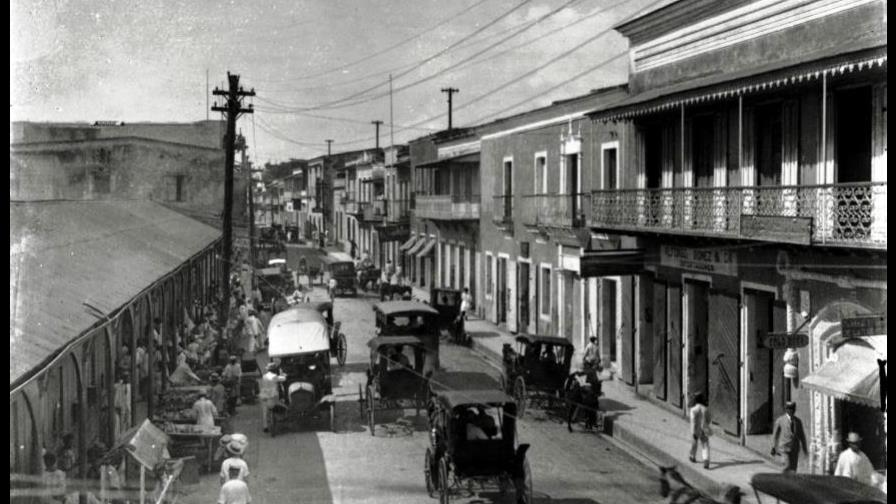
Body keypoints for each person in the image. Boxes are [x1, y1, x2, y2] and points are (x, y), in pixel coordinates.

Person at [771, 401, 808, 473]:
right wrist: (773, 447)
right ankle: (782, 478)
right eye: (789, 409)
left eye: (793, 409)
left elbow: (802, 436)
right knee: (787, 465)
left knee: (793, 469)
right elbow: (775, 435)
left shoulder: (798, 421)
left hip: (794, 448)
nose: (791, 411)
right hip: (784, 447)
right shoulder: (780, 420)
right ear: (786, 410)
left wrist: (804, 449)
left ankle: (790, 479)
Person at [260, 362, 287, 433]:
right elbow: (284, 379)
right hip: (273, 395)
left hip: (264, 394)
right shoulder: (274, 376)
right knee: (280, 404)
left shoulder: (264, 376)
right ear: (274, 370)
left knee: (265, 411)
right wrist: (282, 374)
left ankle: (265, 426)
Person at [689, 392, 711, 469]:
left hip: (696, 428)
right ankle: (706, 460)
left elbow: (693, 421)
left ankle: (692, 456)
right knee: (705, 444)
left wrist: (693, 430)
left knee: (694, 443)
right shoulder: (706, 409)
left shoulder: (693, 409)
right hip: (704, 428)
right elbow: (709, 419)